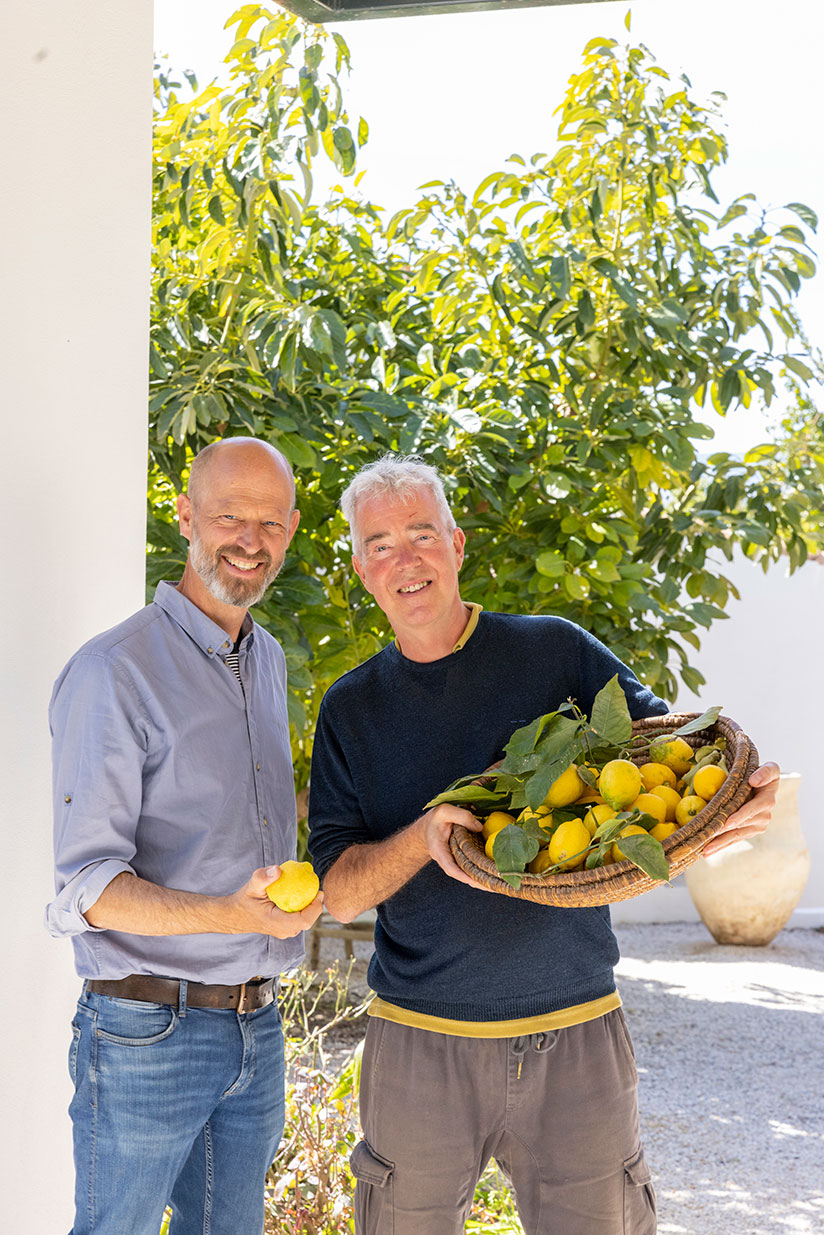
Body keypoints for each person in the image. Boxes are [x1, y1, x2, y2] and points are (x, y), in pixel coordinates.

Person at [307, 454, 779, 1235]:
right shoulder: (350, 708)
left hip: (576, 1033)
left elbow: (673, 758)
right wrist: (427, 837)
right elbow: (342, 890)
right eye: (381, 543)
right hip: (420, 1044)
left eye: (422, 533)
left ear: (458, 544)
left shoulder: (555, 652)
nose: (406, 558)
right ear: (362, 568)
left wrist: (730, 813)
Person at [47, 437, 323, 1235]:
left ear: (292, 528)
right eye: (229, 515)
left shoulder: (264, 659)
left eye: (268, 521)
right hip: (145, 1035)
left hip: (255, 1027)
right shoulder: (113, 671)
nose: (249, 539)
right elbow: (89, 890)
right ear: (185, 518)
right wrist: (234, 914)